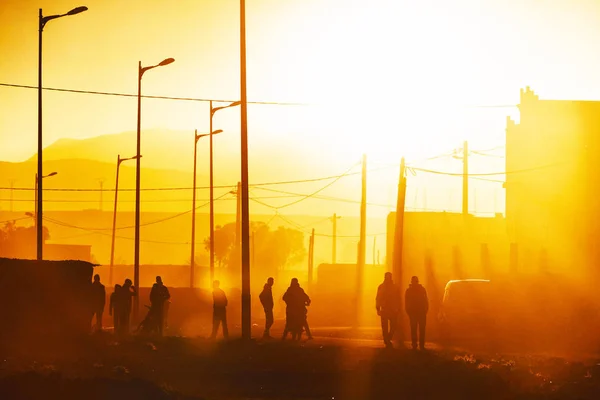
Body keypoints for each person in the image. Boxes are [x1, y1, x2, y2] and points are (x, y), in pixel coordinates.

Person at [376, 272, 401, 348]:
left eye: (389, 276)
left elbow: (398, 298)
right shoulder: (381, 287)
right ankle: (386, 340)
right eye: (387, 277)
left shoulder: (394, 287)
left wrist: (398, 308)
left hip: (392, 309)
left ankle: (388, 338)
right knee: (384, 326)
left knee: (393, 325)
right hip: (385, 309)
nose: (388, 278)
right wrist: (378, 308)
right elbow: (378, 298)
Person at [405, 275, 429, 350]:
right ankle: (418, 344)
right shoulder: (421, 290)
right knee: (418, 329)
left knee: (416, 329)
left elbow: (425, 301)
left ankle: (417, 344)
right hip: (417, 312)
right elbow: (426, 301)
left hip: (417, 312)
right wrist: (425, 309)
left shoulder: (410, 290)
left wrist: (425, 309)